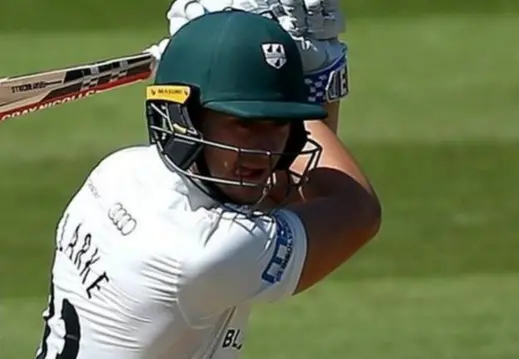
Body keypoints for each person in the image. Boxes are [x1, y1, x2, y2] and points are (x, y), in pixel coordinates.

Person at [34, 7, 381, 359]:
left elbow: (289, 191)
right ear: (183, 117)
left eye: (278, 123)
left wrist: (256, 71)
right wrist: (317, 75)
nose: (264, 151)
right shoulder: (202, 254)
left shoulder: (118, 174)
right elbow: (355, 210)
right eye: (243, 123)